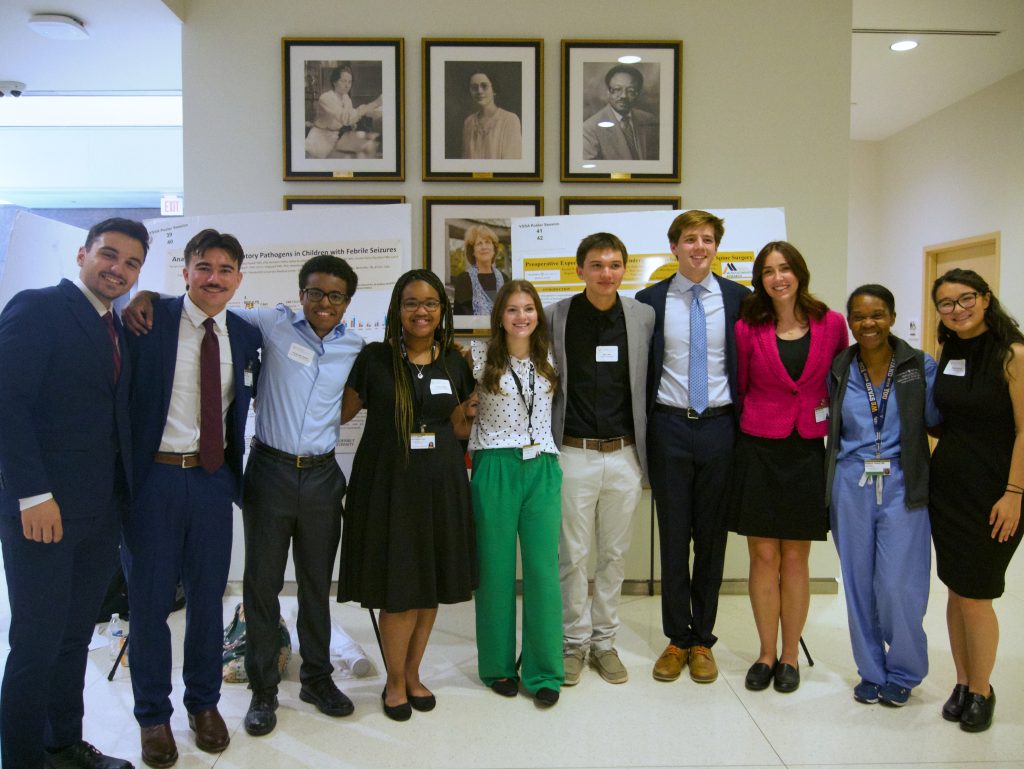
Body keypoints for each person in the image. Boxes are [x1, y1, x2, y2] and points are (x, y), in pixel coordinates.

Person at [122, 254, 365, 737]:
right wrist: (145, 296)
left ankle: (317, 678)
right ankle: (264, 689)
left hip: (321, 476)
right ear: (301, 293)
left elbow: (365, 391)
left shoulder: (355, 346)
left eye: (335, 296)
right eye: (315, 292)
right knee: (261, 586)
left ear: (347, 303)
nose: (324, 303)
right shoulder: (268, 324)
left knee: (317, 584)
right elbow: (206, 304)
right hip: (270, 471)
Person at [0, 218, 148, 769]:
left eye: (131, 263)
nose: (118, 269)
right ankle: (19, 759)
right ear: (82, 254)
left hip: (98, 511)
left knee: (72, 640)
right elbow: (6, 403)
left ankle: (61, 745)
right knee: (35, 646)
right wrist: (31, 494)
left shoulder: (116, 325)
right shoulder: (37, 308)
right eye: (109, 255)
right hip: (43, 511)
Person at [122, 229, 261, 768]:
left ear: (238, 280)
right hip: (153, 481)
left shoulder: (246, 335)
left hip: (209, 482)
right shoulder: (148, 322)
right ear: (185, 271)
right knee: (149, 606)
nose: (214, 278)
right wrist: (141, 298)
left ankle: (204, 704)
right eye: (204, 266)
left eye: (226, 270)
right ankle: (152, 716)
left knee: (208, 601)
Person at [338, 269, 478, 721]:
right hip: (388, 484)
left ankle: (414, 674)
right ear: (398, 310)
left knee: (428, 585)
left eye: (431, 303)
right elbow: (339, 413)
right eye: (411, 302)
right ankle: (394, 681)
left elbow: (457, 427)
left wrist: (476, 409)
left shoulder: (455, 363)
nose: (422, 311)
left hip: (441, 484)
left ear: (442, 311)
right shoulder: (375, 358)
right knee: (398, 588)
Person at [636, 210, 749, 685]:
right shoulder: (649, 301)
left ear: (716, 247)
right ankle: (676, 638)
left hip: (722, 427)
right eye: (689, 239)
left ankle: (702, 638)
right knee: (673, 536)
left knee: (711, 538)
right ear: (674, 247)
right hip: (670, 427)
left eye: (707, 239)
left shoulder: (742, 300)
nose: (698, 247)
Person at [730, 240, 847, 694]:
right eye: (768, 271)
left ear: (800, 272)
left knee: (797, 557)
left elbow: (841, 382)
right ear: (760, 280)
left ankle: (791, 655)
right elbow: (741, 386)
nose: (778, 278)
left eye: (785, 269)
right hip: (758, 447)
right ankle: (765, 652)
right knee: (762, 556)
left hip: (806, 452)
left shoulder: (831, 323)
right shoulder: (747, 327)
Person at [825, 285, 941, 707]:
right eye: (858, 316)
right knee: (857, 583)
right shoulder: (840, 366)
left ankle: (906, 670)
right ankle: (871, 671)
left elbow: (938, 420)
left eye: (876, 315)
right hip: (850, 484)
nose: (867, 324)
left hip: (902, 483)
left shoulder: (917, 365)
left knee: (899, 585)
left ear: (892, 316)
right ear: (849, 321)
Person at [548, 232, 655, 686]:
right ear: (580, 270)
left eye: (614, 265)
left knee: (612, 555)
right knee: (571, 555)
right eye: (597, 265)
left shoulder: (643, 316)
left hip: (625, 453)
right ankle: (574, 643)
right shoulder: (555, 316)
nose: (606, 273)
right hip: (574, 451)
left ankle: (605, 642)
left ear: (623, 269)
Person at [928, 268, 1023, 732]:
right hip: (949, 489)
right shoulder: (949, 351)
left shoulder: (1014, 355)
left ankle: (983, 689)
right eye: (946, 304)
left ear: (986, 299)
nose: (957, 310)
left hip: (996, 492)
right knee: (955, 587)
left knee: (977, 594)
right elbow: (944, 418)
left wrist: (1014, 493)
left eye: (965, 299)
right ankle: (963, 681)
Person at [468, 280, 563, 706]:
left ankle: (544, 671)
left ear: (537, 314)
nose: (521, 316)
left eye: (528, 309)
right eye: (512, 309)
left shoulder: (549, 358)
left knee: (544, 572)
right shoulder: (477, 357)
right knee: (495, 572)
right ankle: (498, 667)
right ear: (499, 316)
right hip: (494, 464)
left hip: (541, 466)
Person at [581, 63, 659, 161]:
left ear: (637, 93)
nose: (624, 96)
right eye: (617, 89)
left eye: (631, 90)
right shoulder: (589, 129)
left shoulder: (649, 120)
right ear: (608, 92)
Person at [304, 64, 383, 159]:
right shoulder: (325, 98)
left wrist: (356, 121)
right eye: (343, 81)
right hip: (318, 141)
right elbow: (345, 118)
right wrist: (375, 103)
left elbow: (350, 117)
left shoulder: (346, 98)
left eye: (349, 82)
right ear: (334, 82)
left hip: (334, 139)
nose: (347, 85)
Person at [461, 70, 522, 160]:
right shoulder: (468, 122)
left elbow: (512, 162)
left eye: (484, 86)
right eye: (474, 87)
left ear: (494, 89)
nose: (479, 91)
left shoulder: (510, 120)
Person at [452, 224, 509, 316]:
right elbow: (461, 319)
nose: (484, 247)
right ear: (472, 251)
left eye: (487, 242)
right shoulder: (464, 280)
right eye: (479, 243)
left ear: (494, 248)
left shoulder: (505, 279)